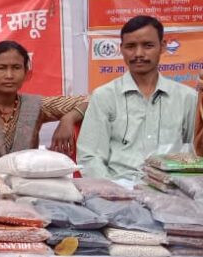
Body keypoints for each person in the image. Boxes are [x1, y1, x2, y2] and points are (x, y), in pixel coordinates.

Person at [78, 15, 197, 180]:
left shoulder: (187, 98)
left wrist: (180, 187)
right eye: (131, 46)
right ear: (121, 49)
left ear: (162, 46)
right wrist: (112, 191)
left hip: (172, 188)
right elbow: (90, 157)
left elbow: (196, 153)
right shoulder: (105, 96)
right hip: (118, 187)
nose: (139, 54)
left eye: (148, 45)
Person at [0, 41, 88, 168]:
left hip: (26, 180)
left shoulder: (34, 106)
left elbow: (94, 100)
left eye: (16, 68)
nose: (9, 75)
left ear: (27, 73)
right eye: (1, 68)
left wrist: (69, 118)